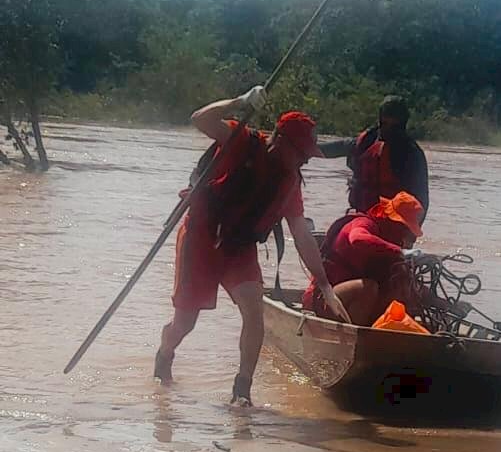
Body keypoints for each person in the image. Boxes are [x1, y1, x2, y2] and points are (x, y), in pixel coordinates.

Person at [154, 85, 350, 406]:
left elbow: (301, 234)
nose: (304, 161)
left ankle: (242, 390)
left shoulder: (290, 183)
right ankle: (165, 353)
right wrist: (239, 102)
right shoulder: (242, 140)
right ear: (282, 142)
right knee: (185, 323)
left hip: (239, 248)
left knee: (254, 313)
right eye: (301, 153)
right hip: (201, 239)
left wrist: (325, 284)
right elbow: (200, 119)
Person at [302, 191, 425, 327]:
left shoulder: (384, 240)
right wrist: (399, 251)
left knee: (403, 286)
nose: (404, 235)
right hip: (326, 299)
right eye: (404, 228)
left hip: (347, 302)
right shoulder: (364, 223)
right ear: (391, 219)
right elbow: (357, 238)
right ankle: (357, 337)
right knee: (368, 288)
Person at [319, 95, 429, 220]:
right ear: (380, 119)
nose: (389, 128)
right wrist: (304, 149)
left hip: (392, 222)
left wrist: (410, 234)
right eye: (385, 122)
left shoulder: (412, 154)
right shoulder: (366, 142)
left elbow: (421, 199)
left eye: (394, 124)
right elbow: (334, 148)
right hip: (360, 216)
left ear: (403, 122)